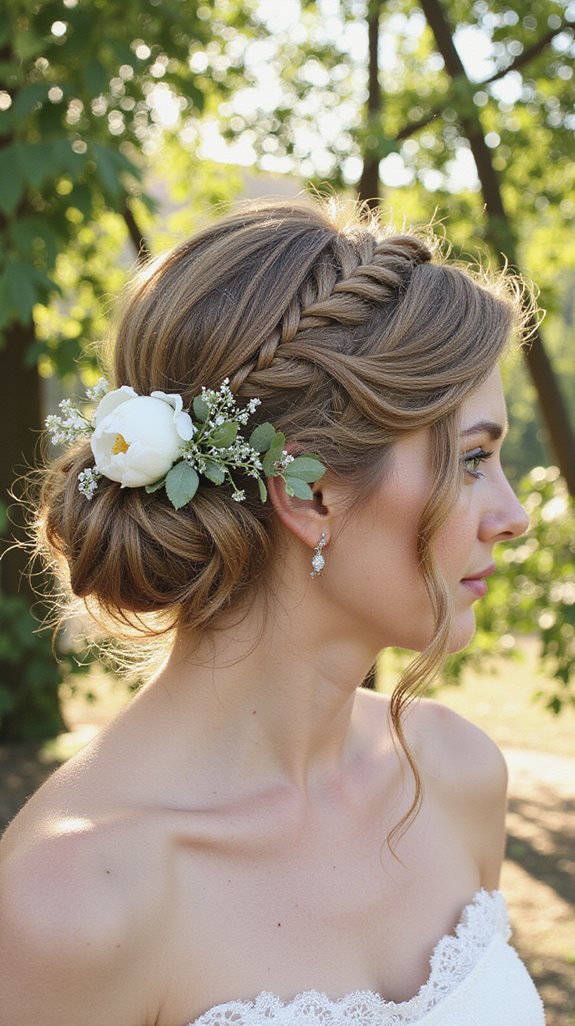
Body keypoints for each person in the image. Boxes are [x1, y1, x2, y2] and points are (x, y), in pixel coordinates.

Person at [0, 199, 545, 1026]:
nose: (514, 515)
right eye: (472, 460)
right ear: (309, 491)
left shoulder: (458, 776)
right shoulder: (76, 904)